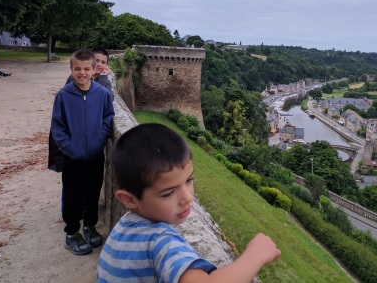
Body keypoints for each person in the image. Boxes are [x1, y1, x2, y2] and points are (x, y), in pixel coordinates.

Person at [97, 123, 281, 283]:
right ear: (129, 199)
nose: (187, 197)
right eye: (168, 193)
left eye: (189, 180)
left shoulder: (124, 229)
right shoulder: (159, 240)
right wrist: (256, 254)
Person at [51, 49, 115, 255]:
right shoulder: (63, 95)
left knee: (93, 193)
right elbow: (57, 126)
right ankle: (71, 233)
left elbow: (108, 117)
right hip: (73, 157)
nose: (82, 73)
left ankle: (89, 226)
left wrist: (100, 137)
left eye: (86, 68)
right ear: (71, 69)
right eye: (77, 69)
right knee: (73, 196)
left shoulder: (102, 93)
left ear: (93, 69)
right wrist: (68, 146)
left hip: (95, 155)